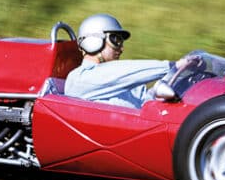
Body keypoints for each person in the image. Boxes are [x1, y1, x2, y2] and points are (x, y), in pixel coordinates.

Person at [64, 14, 197, 109]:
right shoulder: (79, 79)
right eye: (115, 40)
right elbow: (113, 73)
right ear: (93, 41)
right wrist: (172, 66)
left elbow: (145, 101)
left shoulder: (121, 80)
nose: (121, 48)